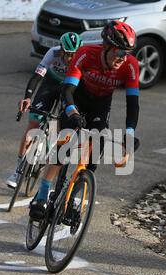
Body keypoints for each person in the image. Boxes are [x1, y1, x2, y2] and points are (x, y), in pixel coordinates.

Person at [29, 20, 141, 219]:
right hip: (76, 98)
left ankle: (75, 195)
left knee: (94, 150)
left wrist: (129, 134)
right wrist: (72, 112)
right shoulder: (86, 54)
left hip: (100, 104)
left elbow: (133, 103)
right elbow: (67, 89)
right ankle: (43, 192)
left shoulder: (130, 65)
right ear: (106, 47)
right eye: (119, 52)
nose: (123, 58)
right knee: (66, 143)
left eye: (127, 53)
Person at [6, 32, 83, 188]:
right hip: (50, 84)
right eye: (67, 54)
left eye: (73, 54)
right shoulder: (52, 53)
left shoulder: (81, 59)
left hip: (68, 88)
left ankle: (51, 153)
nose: (69, 58)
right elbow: (37, 77)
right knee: (33, 124)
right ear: (61, 49)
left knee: (62, 126)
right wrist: (28, 98)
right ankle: (18, 170)